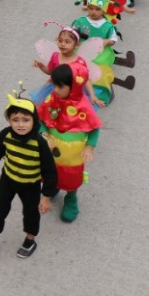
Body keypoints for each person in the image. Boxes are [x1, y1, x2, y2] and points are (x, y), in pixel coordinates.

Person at [0, 89, 56, 259]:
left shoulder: (39, 143)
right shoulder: (6, 135)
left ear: (34, 120)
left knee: (31, 213)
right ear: (9, 120)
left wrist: (46, 197)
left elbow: (50, 172)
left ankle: (30, 240)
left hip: (31, 184)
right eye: (15, 120)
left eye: (26, 120)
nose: (20, 124)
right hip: (8, 179)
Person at [39, 62, 101, 223]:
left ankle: (71, 197)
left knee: (71, 177)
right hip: (52, 149)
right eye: (54, 86)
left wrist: (89, 146)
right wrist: (44, 133)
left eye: (60, 87)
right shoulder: (52, 98)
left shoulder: (83, 106)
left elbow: (95, 128)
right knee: (50, 171)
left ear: (73, 86)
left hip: (73, 154)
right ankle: (53, 186)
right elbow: (40, 119)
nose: (55, 90)